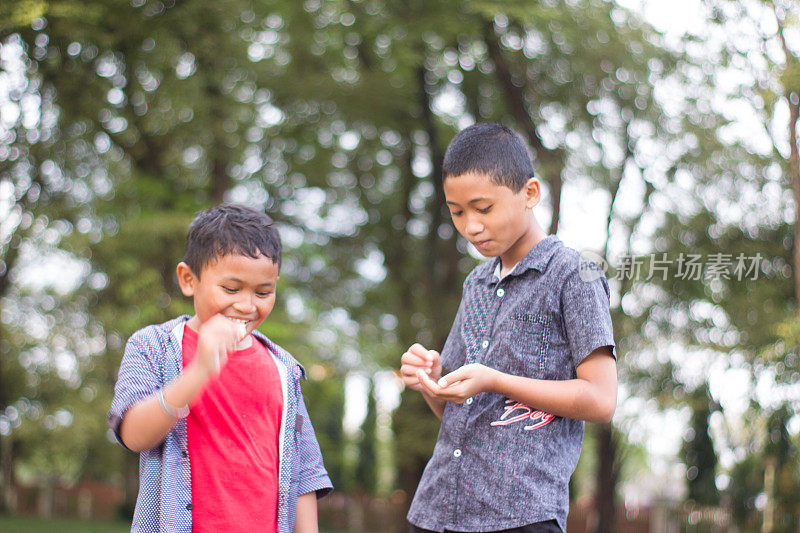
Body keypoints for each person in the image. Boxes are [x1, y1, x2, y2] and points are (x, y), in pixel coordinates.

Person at [399, 123, 617, 533]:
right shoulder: (476, 283)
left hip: (521, 516)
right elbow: (455, 410)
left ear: (530, 194)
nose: (471, 226)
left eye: (483, 209)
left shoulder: (574, 274)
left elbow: (602, 399)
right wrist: (433, 382)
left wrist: (495, 380)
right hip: (437, 509)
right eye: (457, 212)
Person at [108, 204, 332, 533]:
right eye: (230, 289)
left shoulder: (284, 368)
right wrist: (198, 371)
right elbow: (132, 434)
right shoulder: (152, 347)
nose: (246, 305)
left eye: (263, 292)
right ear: (188, 279)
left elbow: (305, 471)